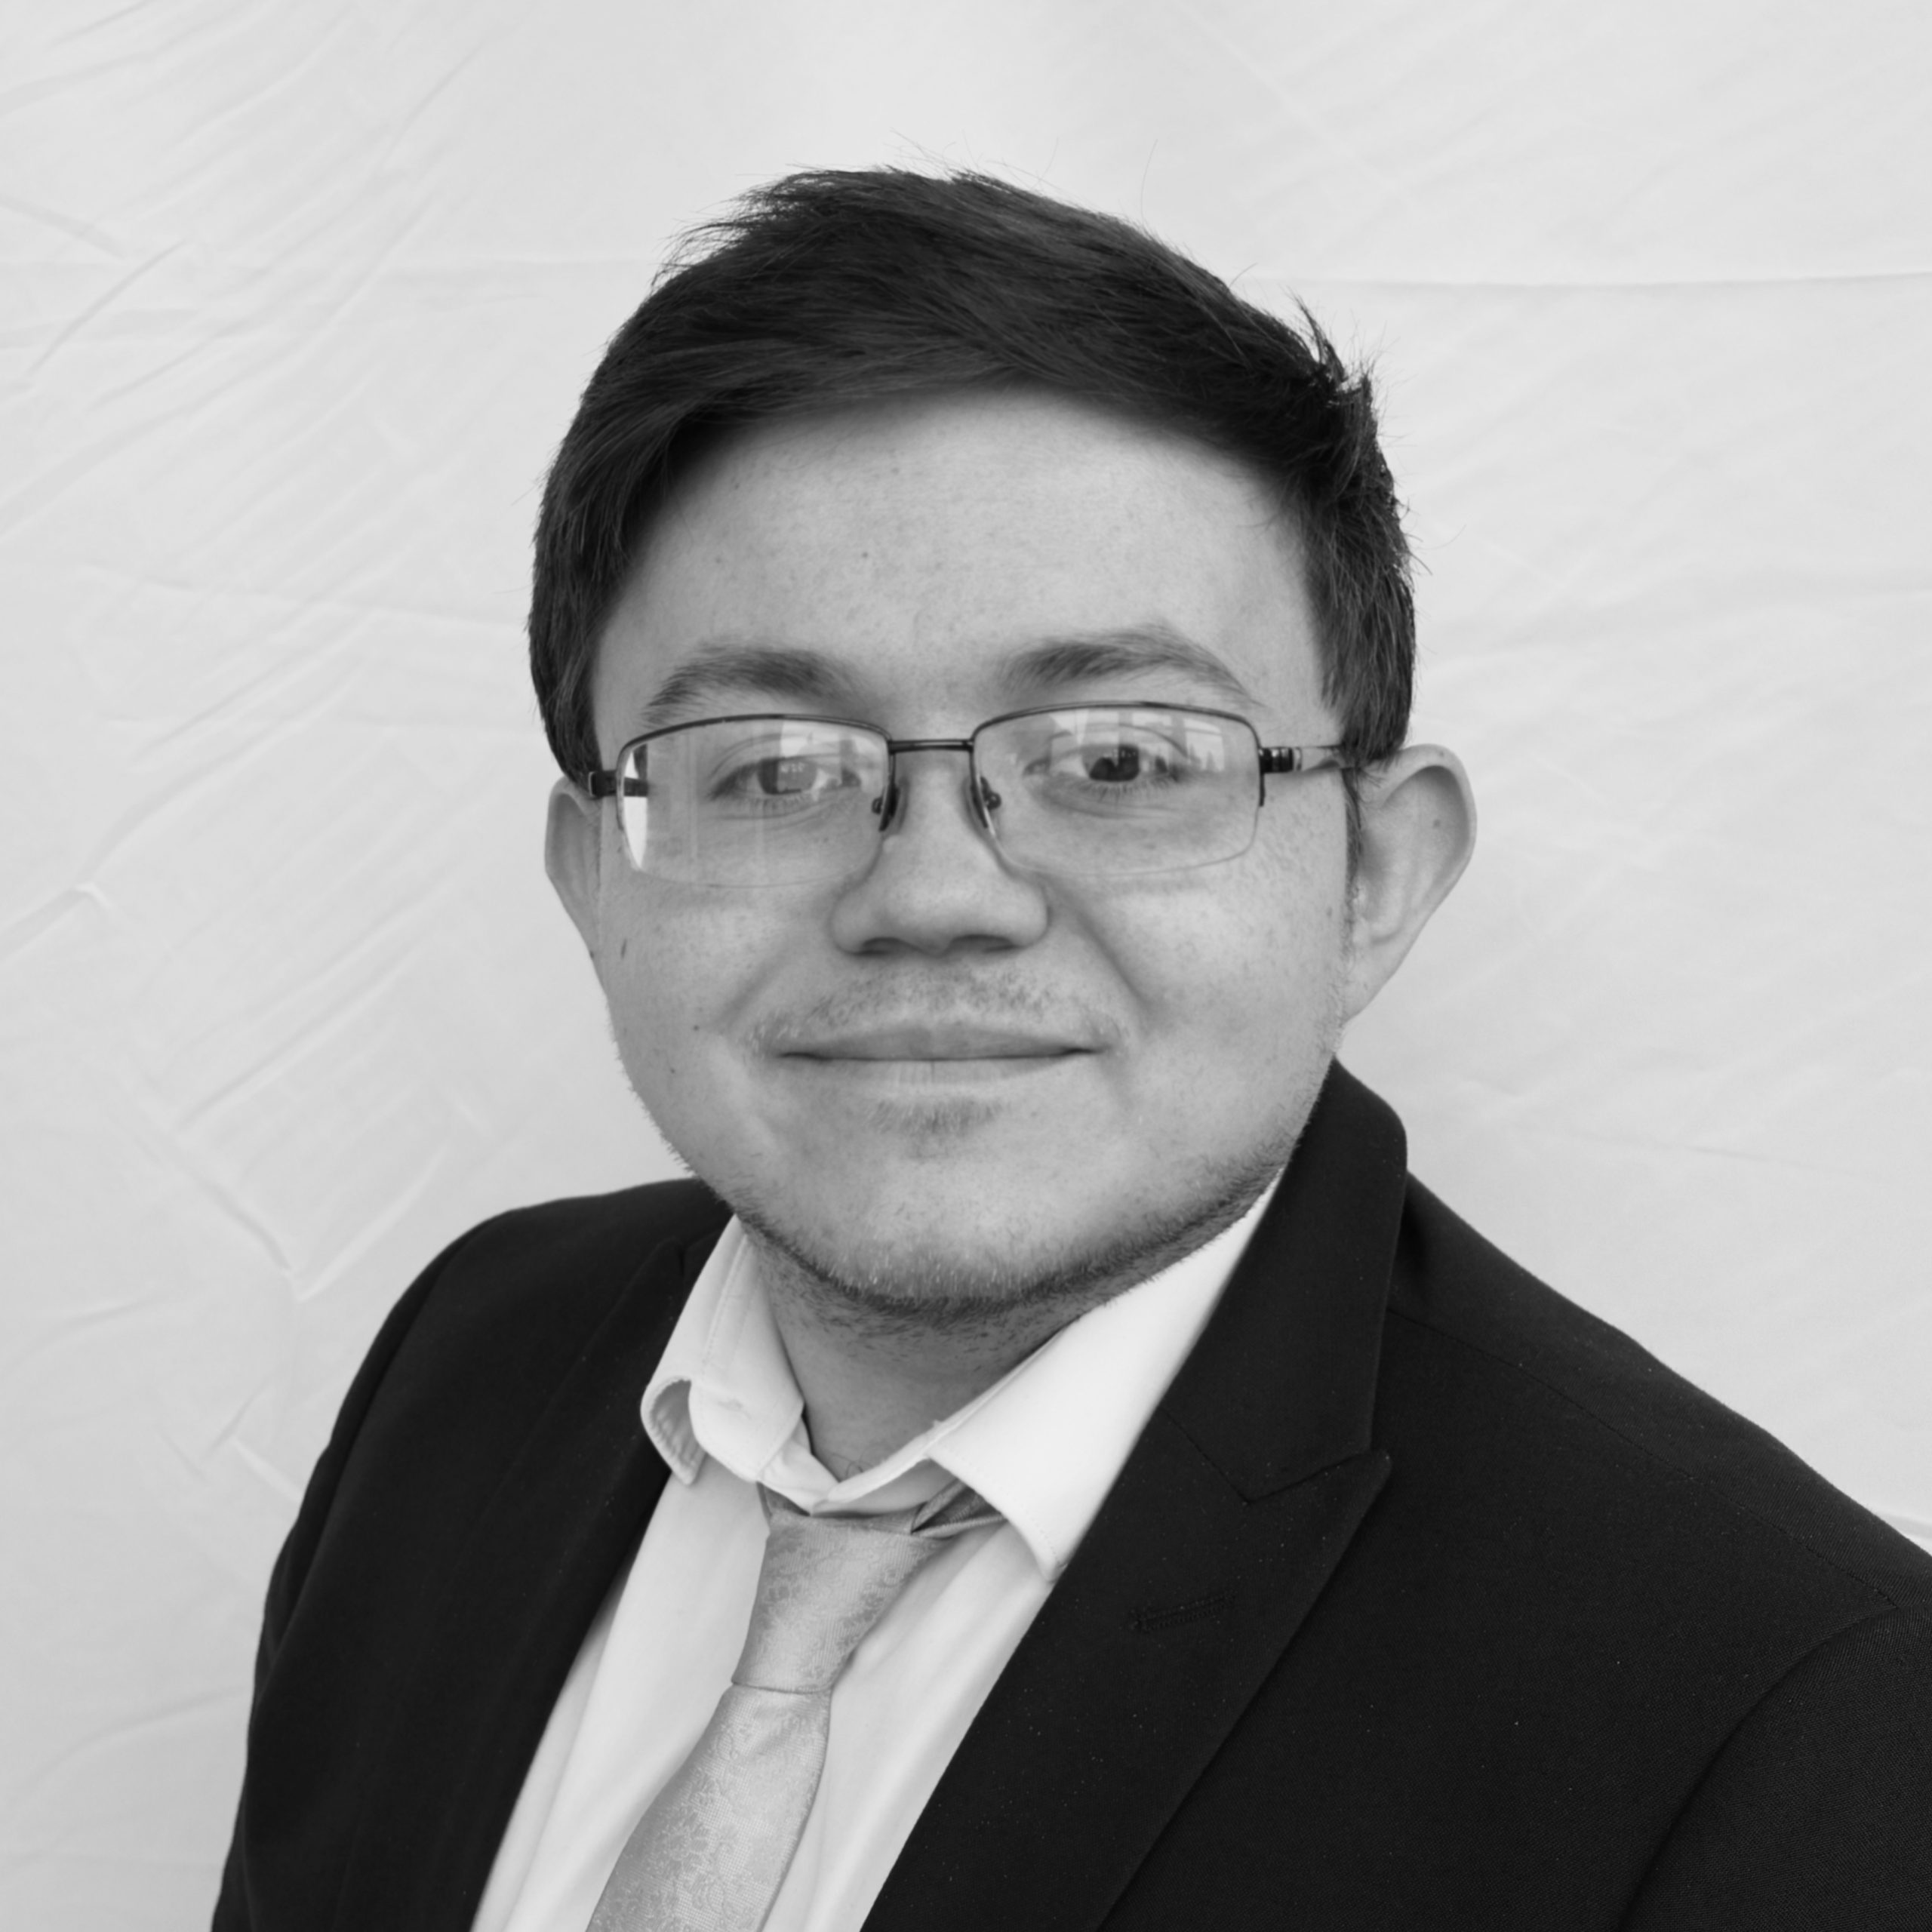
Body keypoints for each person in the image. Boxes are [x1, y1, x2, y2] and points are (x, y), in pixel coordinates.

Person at [213, 168, 1932, 1932]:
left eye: (1116, 759)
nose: (933, 892)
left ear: (1375, 874)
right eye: (773, 765)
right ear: (593, 875)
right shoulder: (468, 1362)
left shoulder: (1795, 1720)